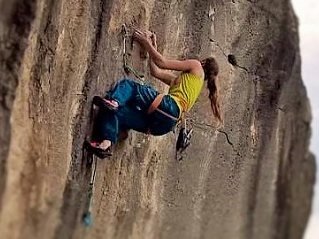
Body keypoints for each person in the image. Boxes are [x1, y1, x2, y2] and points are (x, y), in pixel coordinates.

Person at [84, 28, 223, 158]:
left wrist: (145, 42)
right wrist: (152, 47)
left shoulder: (197, 66)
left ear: (203, 62)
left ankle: (114, 101)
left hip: (169, 107)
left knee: (130, 87)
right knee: (116, 112)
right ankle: (105, 144)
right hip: (163, 126)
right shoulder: (186, 85)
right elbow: (156, 72)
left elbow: (162, 62)